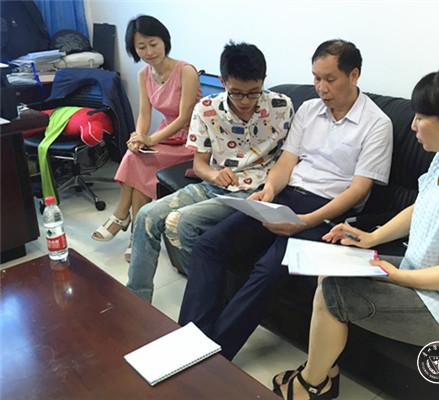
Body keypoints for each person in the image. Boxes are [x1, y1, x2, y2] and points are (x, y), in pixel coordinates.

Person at [271, 68, 439, 399]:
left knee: (334, 292)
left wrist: (396, 276)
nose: (413, 126)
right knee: (330, 269)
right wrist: (370, 239)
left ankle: (312, 385)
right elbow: (420, 207)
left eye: (420, 117)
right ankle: (323, 372)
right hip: (424, 272)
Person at [178, 39, 394, 360]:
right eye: (316, 78)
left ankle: (215, 358)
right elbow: (286, 162)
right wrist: (268, 192)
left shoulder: (377, 124)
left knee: (268, 270)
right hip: (286, 197)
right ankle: (188, 344)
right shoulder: (308, 109)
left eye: (330, 79)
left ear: (354, 75)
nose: (321, 88)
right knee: (209, 245)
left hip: (327, 212)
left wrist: (305, 222)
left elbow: (358, 190)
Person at [126, 42, 294, 302]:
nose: (246, 101)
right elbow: (199, 165)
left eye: (254, 93)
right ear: (223, 81)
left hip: (252, 194)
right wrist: (215, 175)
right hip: (214, 187)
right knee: (146, 215)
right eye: (237, 93)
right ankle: (136, 301)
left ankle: (209, 295)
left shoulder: (281, 106)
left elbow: (290, 157)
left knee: (178, 222)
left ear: (263, 81)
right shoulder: (206, 109)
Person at [92, 15, 199, 263]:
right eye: (141, 47)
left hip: (191, 140)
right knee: (135, 154)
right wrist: (140, 136)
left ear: (164, 41)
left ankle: (121, 217)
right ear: (134, 49)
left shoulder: (186, 71)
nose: (149, 52)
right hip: (165, 136)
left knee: (137, 160)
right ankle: (135, 233)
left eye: (153, 44)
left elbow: (184, 118)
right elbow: (144, 113)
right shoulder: (144, 75)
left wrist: (150, 139)